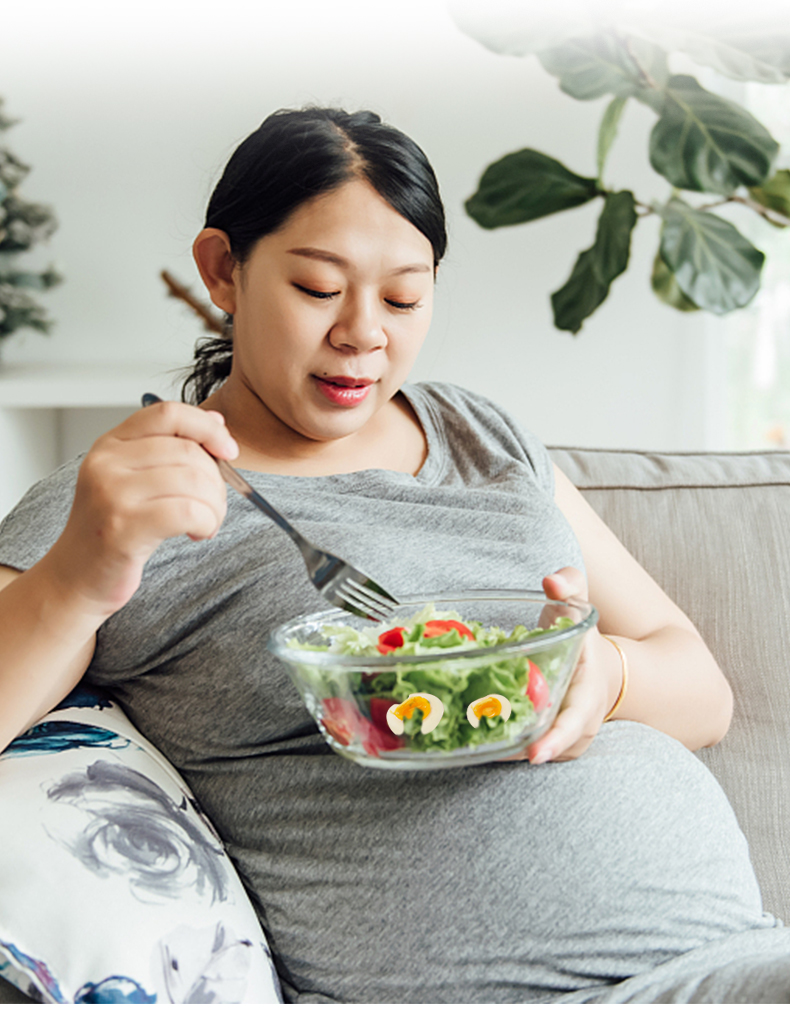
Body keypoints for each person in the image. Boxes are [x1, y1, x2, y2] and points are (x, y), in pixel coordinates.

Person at [1, 107, 789, 1004]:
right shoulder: (125, 495)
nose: (365, 333)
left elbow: (701, 690)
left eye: (405, 298)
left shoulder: (482, 435)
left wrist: (601, 673)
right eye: (317, 288)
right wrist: (76, 580)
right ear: (224, 270)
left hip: (728, 958)